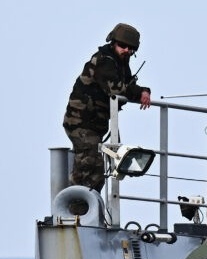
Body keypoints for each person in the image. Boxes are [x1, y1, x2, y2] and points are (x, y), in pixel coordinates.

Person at [63, 23, 152, 193]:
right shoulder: (105, 60)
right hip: (80, 122)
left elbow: (126, 85)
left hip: (93, 125)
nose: (126, 50)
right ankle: (77, 210)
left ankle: (86, 209)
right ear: (113, 43)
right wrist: (139, 92)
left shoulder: (121, 63)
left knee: (94, 171)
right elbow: (116, 88)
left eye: (131, 48)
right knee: (89, 169)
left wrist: (142, 90)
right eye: (122, 46)